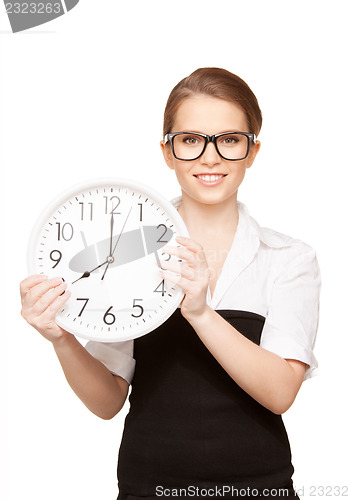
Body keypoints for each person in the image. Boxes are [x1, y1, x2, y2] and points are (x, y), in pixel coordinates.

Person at [20, 68, 321, 500]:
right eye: (191, 139)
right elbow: (107, 403)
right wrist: (61, 337)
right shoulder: (121, 254)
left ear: (252, 151)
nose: (210, 157)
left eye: (230, 140)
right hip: (148, 488)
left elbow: (279, 394)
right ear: (167, 151)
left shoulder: (288, 259)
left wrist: (199, 312)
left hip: (260, 488)